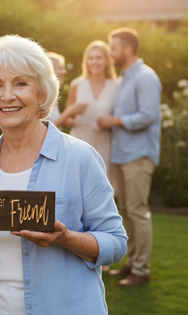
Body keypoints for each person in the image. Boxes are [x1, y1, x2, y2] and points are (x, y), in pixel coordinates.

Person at [0, 35, 127, 315]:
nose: (7, 96)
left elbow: (116, 243)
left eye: (20, 83)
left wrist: (65, 238)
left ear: (42, 93)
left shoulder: (80, 157)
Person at [97, 28, 161, 286]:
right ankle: (132, 262)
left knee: (137, 212)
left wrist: (114, 121)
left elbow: (148, 116)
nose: (110, 53)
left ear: (127, 49)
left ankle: (141, 270)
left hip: (139, 155)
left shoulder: (145, 77)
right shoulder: (124, 78)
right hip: (122, 155)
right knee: (127, 211)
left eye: (113, 48)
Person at [65, 41, 118, 177]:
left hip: (104, 141)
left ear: (107, 61)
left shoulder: (116, 85)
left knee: (102, 186)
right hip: (79, 139)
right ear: (86, 61)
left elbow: (118, 118)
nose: (94, 62)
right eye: (91, 58)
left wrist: (109, 123)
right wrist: (73, 115)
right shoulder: (77, 84)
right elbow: (68, 120)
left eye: (99, 58)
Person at [45, 52, 87, 129]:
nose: (64, 72)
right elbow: (46, 129)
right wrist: (68, 112)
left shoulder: (52, 95)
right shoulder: (43, 97)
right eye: (60, 68)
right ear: (50, 71)